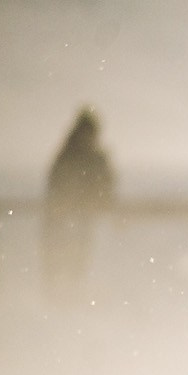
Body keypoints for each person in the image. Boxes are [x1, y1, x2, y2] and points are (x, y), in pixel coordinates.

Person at [42, 107, 117, 299]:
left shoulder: (89, 156)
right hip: (69, 215)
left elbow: (106, 184)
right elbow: (57, 183)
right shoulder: (71, 156)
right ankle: (63, 290)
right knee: (65, 252)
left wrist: (99, 201)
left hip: (82, 215)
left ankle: (71, 289)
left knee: (78, 252)